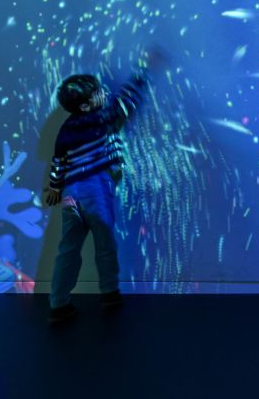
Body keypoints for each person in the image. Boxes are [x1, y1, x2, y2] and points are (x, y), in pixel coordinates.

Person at [42, 46, 166, 324]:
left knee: (68, 248)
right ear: (86, 105)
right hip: (96, 189)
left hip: (70, 193)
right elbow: (127, 100)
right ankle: (110, 293)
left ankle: (58, 303)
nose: (103, 93)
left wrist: (54, 188)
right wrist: (144, 70)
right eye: (97, 92)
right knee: (105, 243)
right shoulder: (103, 118)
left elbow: (59, 162)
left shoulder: (66, 129)